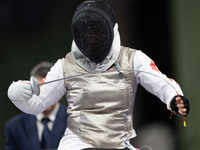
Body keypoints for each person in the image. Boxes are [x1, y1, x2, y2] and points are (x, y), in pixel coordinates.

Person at [7, 1, 190, 150]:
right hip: (78, 144)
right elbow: (37, 104)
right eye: (86, 34)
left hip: (118, 143)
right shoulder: (65, 66)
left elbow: (162, 83)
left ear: (110, 30)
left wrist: (174, 98)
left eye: (96, 33)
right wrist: (17, 95)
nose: (91, 39)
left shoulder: (132, 59)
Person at [5, 61, 68, 150]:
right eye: (38, 89)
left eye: (49, 91)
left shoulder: (76, 122)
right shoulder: (14, 127)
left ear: (60, 92)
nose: (43, 96)